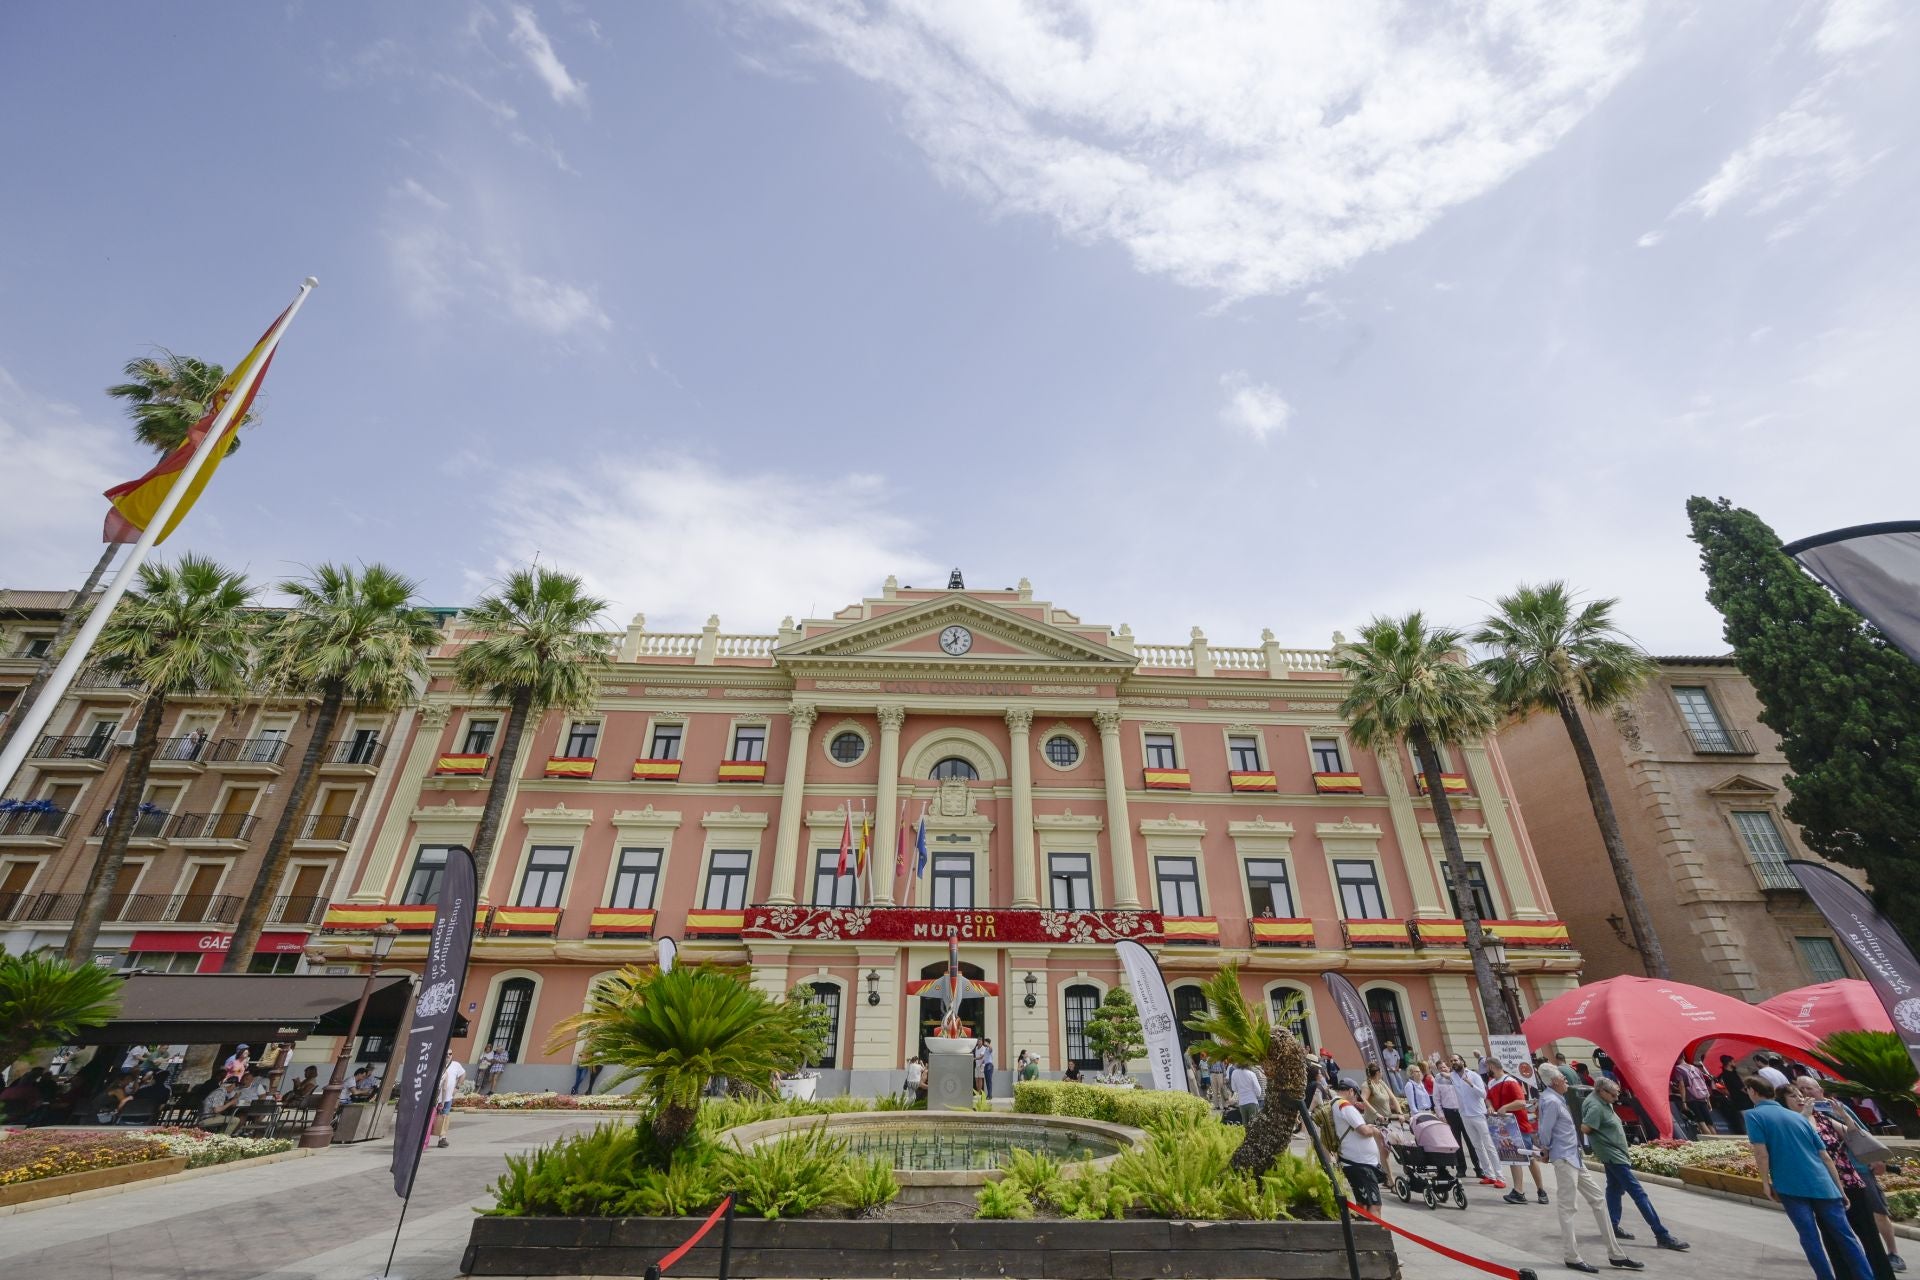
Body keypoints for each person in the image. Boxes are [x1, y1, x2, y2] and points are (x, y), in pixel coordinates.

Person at [1745, 1075, 1875, 1280]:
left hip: (1791, 1185)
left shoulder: (1754, 1116)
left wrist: (1765, 1182)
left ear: (1752, 1091)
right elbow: (1824, 1157)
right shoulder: (1800, 1118)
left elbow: (1761, 1153)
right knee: (1846, 1236)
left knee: (1810, 1238)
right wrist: (1840, 1190)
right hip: (1823, 1183)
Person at [1537, 1064, 1642, 1273]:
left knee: (1598, 1200)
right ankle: (1571, 1256)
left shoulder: (1556, 1099)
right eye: (1564, 1079)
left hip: (1573, 1157)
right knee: (1568, 1207)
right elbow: (1545, 1130)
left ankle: (1615, 1253)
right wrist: (1546, 1149)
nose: (1567, 1082)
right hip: (1564, 1159)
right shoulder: (1550, 1100)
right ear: (1555, 1081)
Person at [1789, 1079, 1896, 1280]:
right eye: (1797, 1093)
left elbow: (1854, 1133)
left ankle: (1881, 1273)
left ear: (1820, 1090)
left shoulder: (1825, 1116)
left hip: (1850, 1179)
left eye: (1805, 1091)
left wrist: (1844, 1115)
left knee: (1867, 1232)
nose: (1802, 1096)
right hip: (1824, 1187)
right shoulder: (1793, 1122)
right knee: (1834, 1237)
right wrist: (1804, 1116)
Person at [1583, 1077, 1689, 1252]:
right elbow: (1586, 1128)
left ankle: (1612, 1226)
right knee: (1639, 1194)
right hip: (1613, 1155)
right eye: (1614, 1095)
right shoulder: (1595, 1106)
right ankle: (1661, 1234)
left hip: (1613, 1153)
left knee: (1614, 1188)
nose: (1617, 1098)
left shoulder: (1599, 1099)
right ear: (1602, 1091)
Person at [1486, 1058, 1547, 1205]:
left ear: (1492, 1066)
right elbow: (1488, 1098)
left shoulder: (1511, 1081)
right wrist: (1490, 1106)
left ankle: (1540, 1190)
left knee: (1529, 1158)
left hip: (1518, 1126)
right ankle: (1519, 1191)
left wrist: (1506, 1107)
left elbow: (1521, 1102)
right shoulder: (1492, 1083)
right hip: (1505, 1127)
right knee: (1513, 1158)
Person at [1449, 1055, 1505, 1190]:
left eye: (1456, 1060)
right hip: (1465, 1115)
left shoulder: (1473, 1075)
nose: (1453, 1063)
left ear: (1462, 1061)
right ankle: (1489, 1175)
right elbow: (1441, 1076)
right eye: (1451, 1061)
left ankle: (1500, 1177)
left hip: (1478, 1114)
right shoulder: (1453, 1076)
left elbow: (1484, 1095)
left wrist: (1470, 1083)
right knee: (1477, 1146)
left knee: (1489, 1145)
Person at [1333, 1079, 1385, 1207]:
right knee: (1374, 1206)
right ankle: (1373, 1228)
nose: (1356, 1100)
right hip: (1360, 1164)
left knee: (1362, 1204)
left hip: (1353, 1162)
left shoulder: (1334, 1104)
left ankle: (1361, 1227)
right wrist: (1373, 1129)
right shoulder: (1345, 1106)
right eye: (1356, 1095)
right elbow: (1364, 1131)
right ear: (1351, 1091)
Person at [1433, 1059, 1483, 1180]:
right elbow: (1436, 1098)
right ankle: (1461, 1168)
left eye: (1444, 1067)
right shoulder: (1437, 1080)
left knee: (1471, 1141)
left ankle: (1478, 1168)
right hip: (1450, 1113)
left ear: (1448, 1067)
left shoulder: (1456, 1077)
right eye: (1440, 1068)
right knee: (1457, 1142)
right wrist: (1441, 1115)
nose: (1443, 1070)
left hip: (1463, 1111)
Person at [429, 1056, 465, 1149]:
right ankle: (425, 1137)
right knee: (430, 1117)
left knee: (444, 1117)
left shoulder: (456, 1064)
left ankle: (442, 1138)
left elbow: (463, 1074)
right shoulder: (437, 1063)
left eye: (450, 1053)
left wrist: (457, 1087)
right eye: (447, 1053)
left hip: (447, 1097)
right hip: (435, 1097)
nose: (448, 1055)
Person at [1673, 1056, 1716, 1135]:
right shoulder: (1695, 1068)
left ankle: (1710, 1144)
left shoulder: (1678, 1069)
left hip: (1691, 1099)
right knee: (1710, 1124)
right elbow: (1704, 1084)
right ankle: (1719, 1144)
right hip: (1702, 1097)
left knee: (1701, 1123)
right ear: (1684, 1057)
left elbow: (1682, 1086)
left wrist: (1684, 1102)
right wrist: (1708, 1100)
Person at [1362, 1061, 1404, 1127]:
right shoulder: (1367, 1085)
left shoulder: (1381, 1082)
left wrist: (1400, 1113)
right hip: (1374, 1122)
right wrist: (1376, 1114)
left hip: (1386, 1120)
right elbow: (1364, 1100)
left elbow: (1393, 1098)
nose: (1382, 1073)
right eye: (1381, 1071)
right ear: (1378, 1073)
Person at [1228, 1058, 1264, 1126]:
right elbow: (1258, 1091)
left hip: (1242, 1103)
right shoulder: (1251, 1074)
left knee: (1245, 1126)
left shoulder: (1234, 1072)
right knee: (1253, 1126)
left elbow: (1234, 1088)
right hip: (1252, 1102)